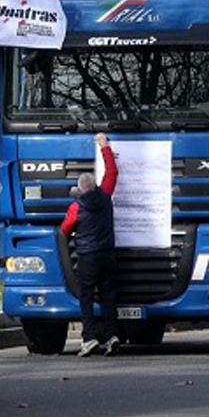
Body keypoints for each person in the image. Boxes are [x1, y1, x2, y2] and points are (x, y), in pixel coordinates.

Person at [60, 132, 120, 357]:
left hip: (87, 258)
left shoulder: (76, 208)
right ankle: (113, 335)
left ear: (80, 189)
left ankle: (90, 338)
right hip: (108, 255)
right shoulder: (105, 196)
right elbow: (112, 171)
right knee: (109, 297)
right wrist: (104, 146)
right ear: (94, 186)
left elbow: (65, 229)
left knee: (86, 298)